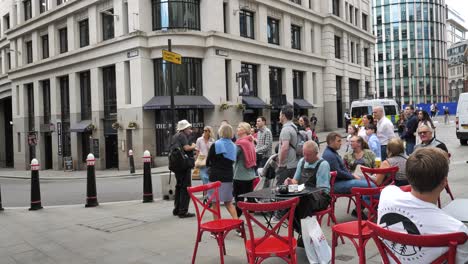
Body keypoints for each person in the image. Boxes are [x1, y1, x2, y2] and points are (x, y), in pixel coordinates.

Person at [377, 148, 468, 263]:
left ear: (409, 177)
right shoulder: (456, 230)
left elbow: (395, 189)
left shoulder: (387, 194)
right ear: (444, 182)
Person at [283, 141, 331, 245]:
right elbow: (295, 180)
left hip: (321, 196)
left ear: (316, 153)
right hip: (304, 194)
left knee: (303, 201)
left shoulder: (323, 164)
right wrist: (290, 182)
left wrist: (303, 191)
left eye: (308, 155)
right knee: (288, 202)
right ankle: (301, 231)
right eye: (304, 153)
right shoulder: (302, 161)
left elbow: (321, 189)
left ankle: (306, 234)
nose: (305, 157)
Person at [322, 132, 374, 217]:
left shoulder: (331, 152)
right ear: (331, 142)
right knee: (370, 185)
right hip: (336, 184)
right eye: (338, 141)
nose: (341, 143)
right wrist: (352, 176)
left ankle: (361, 209)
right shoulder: (329, 155)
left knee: (368, 182)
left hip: (340, 182)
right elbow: (338, 173)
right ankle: (376, 209)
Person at [206, 124, 238, 220]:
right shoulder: (234, 146)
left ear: (220, 132)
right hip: (228, 175)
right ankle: (237, 224)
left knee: (215, 203)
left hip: (215, 176)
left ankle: (217, 229)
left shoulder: (216, 144)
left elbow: (208, 161)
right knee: (228, 202)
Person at [170, 120, 197, 218]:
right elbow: (186, 148)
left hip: (176, 165)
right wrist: (193, 146)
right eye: (189, 128)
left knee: (179, 186)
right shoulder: (182, 136)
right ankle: (183, 211)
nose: (190, 130)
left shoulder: (175, 136)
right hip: (184, 165)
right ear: (184, 129)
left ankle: (177, 209)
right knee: (186, 188)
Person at [233, 122, 257, 218]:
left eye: (239, 127)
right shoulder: (250, 140)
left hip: (240, 174)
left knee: (239, 199)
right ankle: (251, 219)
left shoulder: (240, 143)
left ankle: (237, 220)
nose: (237, 129)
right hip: (250, 174)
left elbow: (233, 157)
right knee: (250, 197)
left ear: (243, 130)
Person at [276, 105, 299, 186]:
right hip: (294, 164)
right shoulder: (294, 127)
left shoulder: (286, 129)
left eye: (280, 115)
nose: (279, 117)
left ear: (283, 116)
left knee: (281, 190)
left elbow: (284, 148)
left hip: (286, 166)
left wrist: (280, 163)